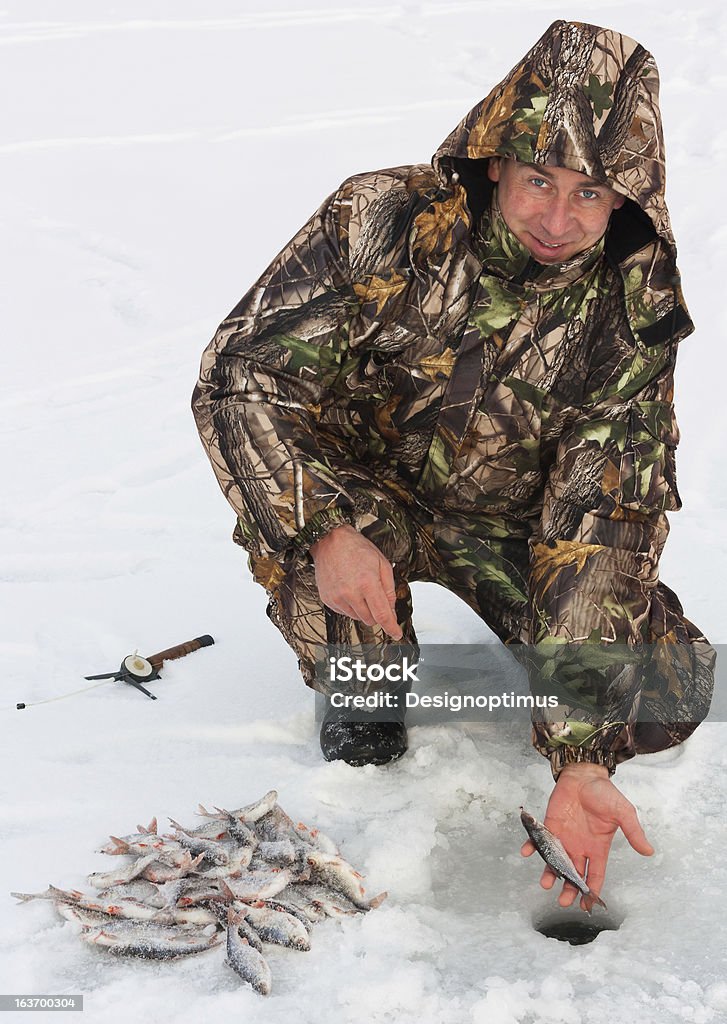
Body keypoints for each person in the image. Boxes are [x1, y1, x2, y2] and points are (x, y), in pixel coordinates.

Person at [192, 21, 714, 908]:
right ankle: (365, 666)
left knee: (666, 693)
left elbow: (598, 529)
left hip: (514, 522)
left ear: (624, 199)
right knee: (361, 689)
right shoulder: (381, 218)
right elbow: (243, 377)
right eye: (538, 180)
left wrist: (578, 751)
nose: (557, 218)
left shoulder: (629, 312)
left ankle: (543, 681)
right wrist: (321, 528)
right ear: (495, 160)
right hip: (358, 493)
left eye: (589, 194)